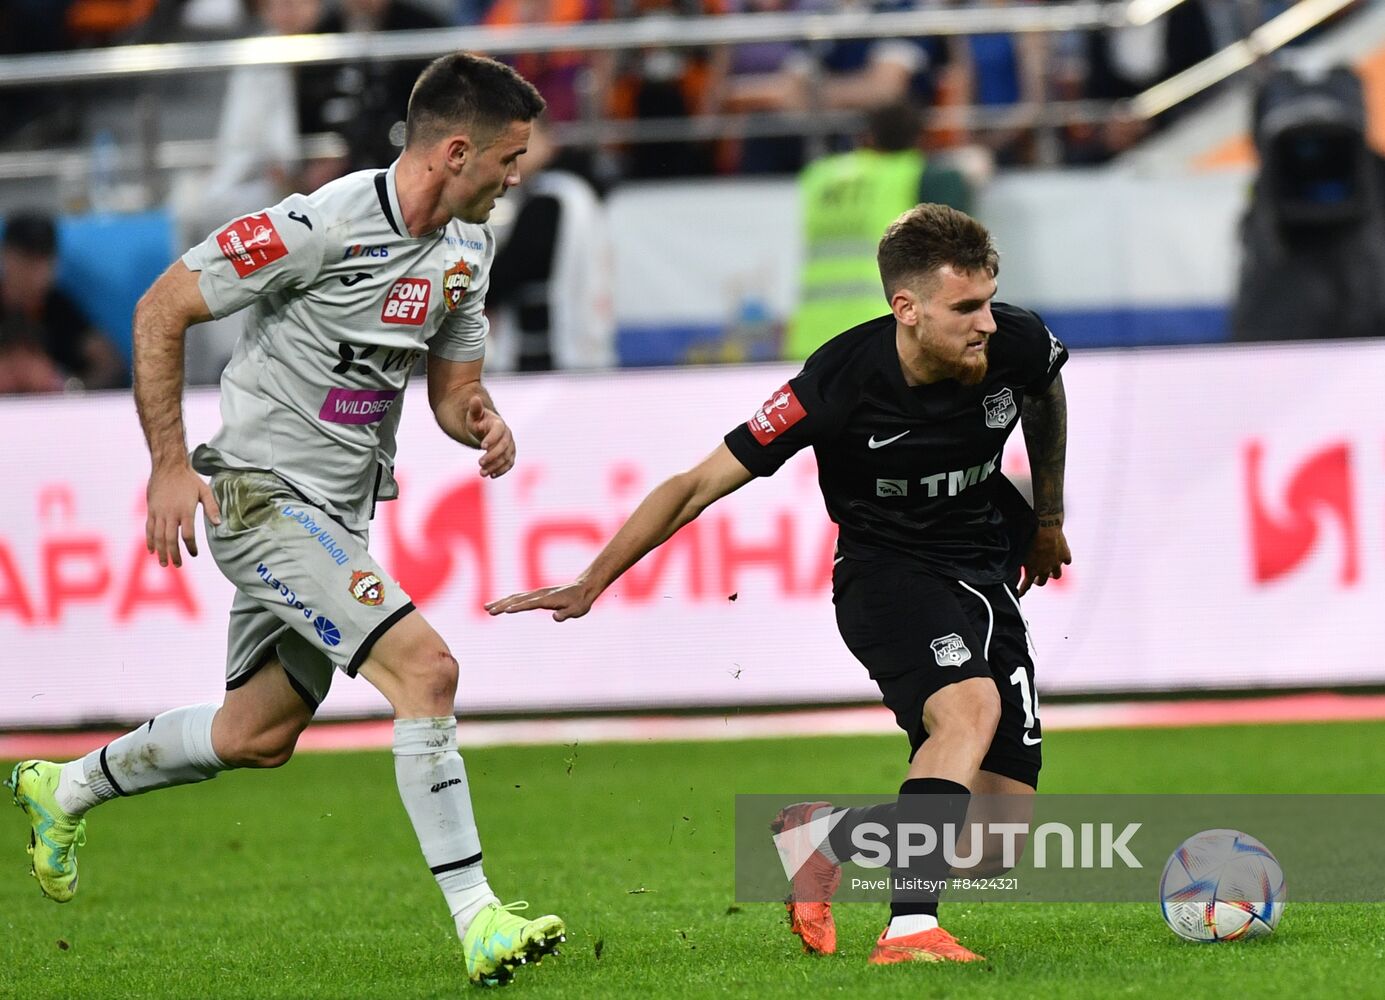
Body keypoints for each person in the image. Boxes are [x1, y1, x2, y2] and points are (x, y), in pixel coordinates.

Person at [6, 52, 564, 988]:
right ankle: (478, 919)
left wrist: (480, 417)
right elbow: (163, 304)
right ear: (457, 150)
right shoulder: (321, 223)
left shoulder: (469, 248)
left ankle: (63, 787)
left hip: (337, 519)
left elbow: (452, 384)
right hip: (261, 496)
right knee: (426, 669)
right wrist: (168, 467)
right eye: (508, 159)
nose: (518, 177)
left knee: (254, 736)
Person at [488, 203, 1071, 964]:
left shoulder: (1015, 342)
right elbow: (697, 483)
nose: (986, 323)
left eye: (989, 300)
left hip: (985, 575)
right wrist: (593, 580)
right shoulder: (836, 384)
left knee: (995, 844)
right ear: (907, 308)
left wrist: (1048, 516)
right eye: (965, 308)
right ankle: (908, 931)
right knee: (968, 709)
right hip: (888, 575)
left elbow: (1044, 396)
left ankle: (820, 837)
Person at [785, 102, 971, 361]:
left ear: (867, 136)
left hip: (812, 337)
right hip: (881, 332)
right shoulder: (917, 175)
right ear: (920, 137)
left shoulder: (820, 175)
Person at [486, 116, 616, 372]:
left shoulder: (549, 198)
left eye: (526, 141)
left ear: (549, 139)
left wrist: (479, 289)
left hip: (550, 350)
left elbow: (517, 265)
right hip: (585, 343)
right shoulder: (581, 194)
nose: (515, 153)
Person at [0, 212, 128, 393]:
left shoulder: (58, 308)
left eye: (42, 260)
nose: (35, 272)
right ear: (7, 256)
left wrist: (66, 388)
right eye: (26, 259)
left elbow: (111, 364)